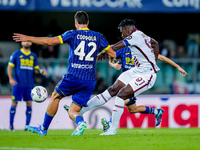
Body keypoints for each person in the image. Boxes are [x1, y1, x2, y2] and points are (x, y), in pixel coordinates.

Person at [13, 11, 116, 136]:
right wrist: (110, 61)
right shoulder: (98, 36)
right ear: (88, 22)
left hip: (73, 76)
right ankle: (80, 123)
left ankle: (43, 129)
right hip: (89, 80)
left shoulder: (72, 34)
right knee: (73, 110)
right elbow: (113, 53)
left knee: (56, 96)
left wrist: (28, 38)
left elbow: (49, 42)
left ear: (76, 22)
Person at [78, 19, 188, 135]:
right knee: (112, 90)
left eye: (122, 32)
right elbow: (154, 43)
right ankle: (81, 110)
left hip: (147, 75)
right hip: (136, 71)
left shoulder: (135, 36)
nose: (122, 35)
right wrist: (153, 59)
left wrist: (104, 52)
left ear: (127, 30)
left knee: (121, 95)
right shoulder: (141, 35)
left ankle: (112, 129)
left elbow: (117, 46)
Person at [7, 41, 47, 131]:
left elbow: (36, 69)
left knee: (29, 104)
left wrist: (41, 71)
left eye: (28, 41)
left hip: (29, 85)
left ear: (31, 43)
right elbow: (9, 67)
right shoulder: (16, 54)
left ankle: (27, 126)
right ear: (22, 43)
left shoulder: (33, 56)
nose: (27, 43)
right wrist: (11, 78)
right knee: (14, 103)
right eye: (25, 41)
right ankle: (11, 126)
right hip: (18, 84)